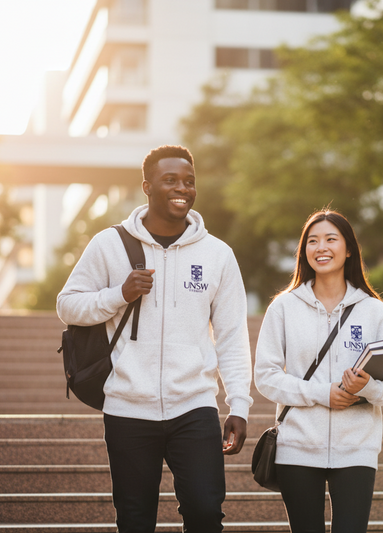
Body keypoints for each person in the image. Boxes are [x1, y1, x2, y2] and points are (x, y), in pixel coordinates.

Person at [57, 145, 253, 533]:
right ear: (147, 187)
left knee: (205, 512)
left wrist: (240, 405)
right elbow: (67, 306)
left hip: (194, 406)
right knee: (134, 519)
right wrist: (119, 295)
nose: (182, 188)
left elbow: (232, 336)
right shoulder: (109, 244)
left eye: (189, 181)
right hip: (128, 408)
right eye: (170, 180)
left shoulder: (217, 255)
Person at [254, 209, 383, 533]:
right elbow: (265, 376)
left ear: (349, 248)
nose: (320, 247)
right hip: (297, 445)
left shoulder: (375, 311)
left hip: (357, 447)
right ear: (304, 251)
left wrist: (367, 388)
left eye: (330, 239)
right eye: (312, 241)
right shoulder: (283, 307)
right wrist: (321, 394)